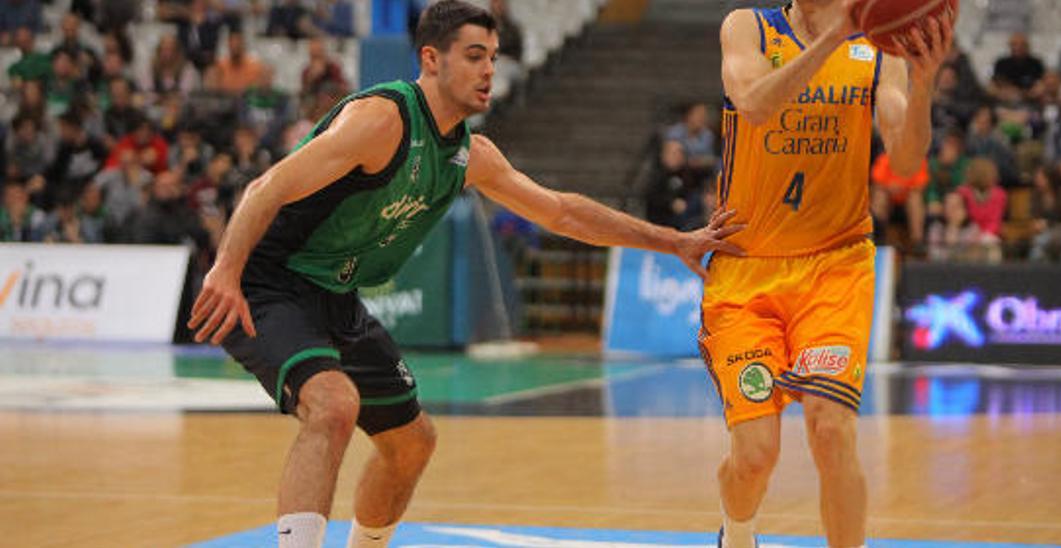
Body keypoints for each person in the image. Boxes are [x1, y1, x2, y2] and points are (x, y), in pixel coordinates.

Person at [185, 4, 741, 548]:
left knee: (412, 444)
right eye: (474, 56)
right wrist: (227, 271)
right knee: (333, 405)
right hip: (267, 279)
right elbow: (266, 188)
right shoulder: (381, 121)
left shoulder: (471, 154)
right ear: (432, 59)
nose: (488, 71)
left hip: (335, 294)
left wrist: (673, 241)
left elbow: (563, 211)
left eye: (494, 58)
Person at [709, 1, 950, 546]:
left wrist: (925, 81)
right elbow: (752, 104)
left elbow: (907, 164)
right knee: (755, 457)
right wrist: (831, 40)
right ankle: (737, 532)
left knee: (831, 429)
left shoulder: (875, 46)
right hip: (747, 271)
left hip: (835, 265)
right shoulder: (747, 26)